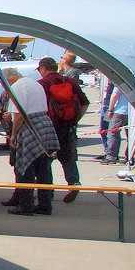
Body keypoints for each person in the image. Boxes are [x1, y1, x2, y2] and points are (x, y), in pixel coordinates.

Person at [0, 67, 58, 216]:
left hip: (30, 126)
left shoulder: (17, 87)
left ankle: (26, 206)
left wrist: (13, 135)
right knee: (43, 169)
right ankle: (45, 205)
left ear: (10, 79)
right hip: (44, 124)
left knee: (25, 168)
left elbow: (19, 114)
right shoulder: (34, 83)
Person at [36, 56, 89, 202]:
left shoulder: (41, 84)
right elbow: (85, 103)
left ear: (43, 69)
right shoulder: (70, 81)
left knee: (45, 160)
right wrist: (75, 120)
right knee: (69, 158)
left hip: (48, 128)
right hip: (68, 126)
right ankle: (74, 183)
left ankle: (48, 191)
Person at [102, 82, 130, 164]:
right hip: (133, 112)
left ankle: (112, 156)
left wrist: (110, 109)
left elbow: (115, 95)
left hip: (119, 111)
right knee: (131, 136)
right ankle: (129, 156)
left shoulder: (120, 82)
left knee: (113, 134)